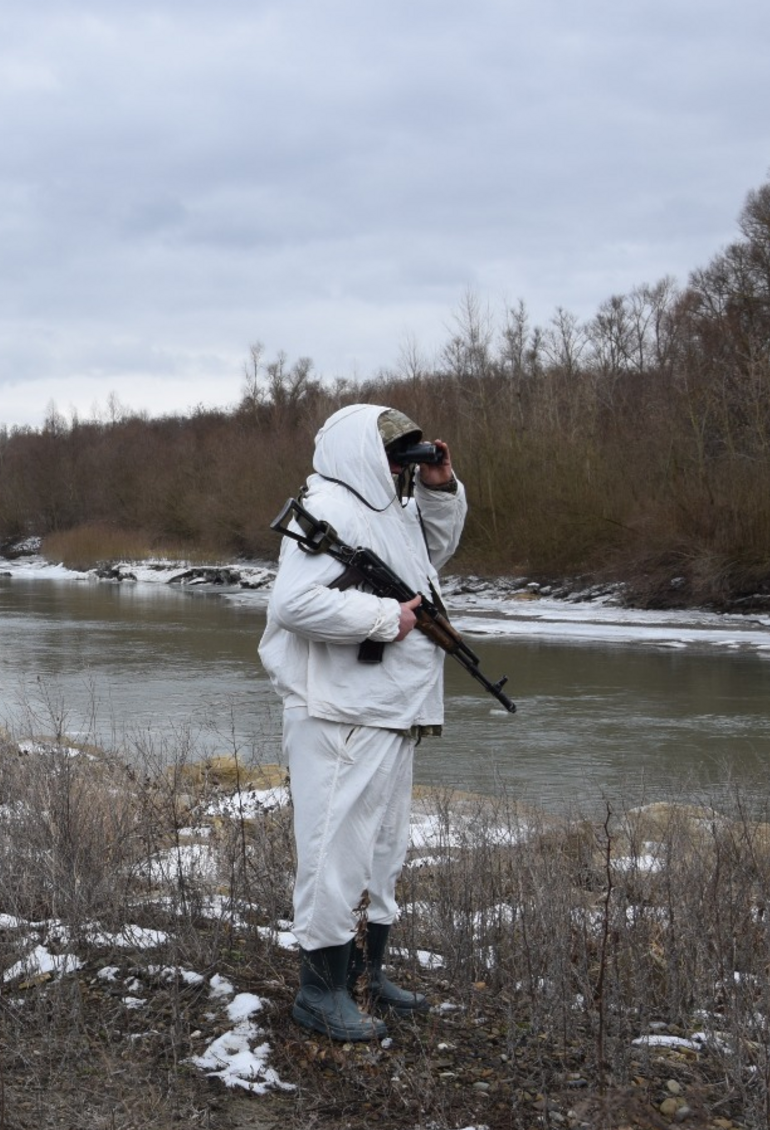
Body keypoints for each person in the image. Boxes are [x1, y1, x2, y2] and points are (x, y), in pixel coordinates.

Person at [258, 403, 465, 1041]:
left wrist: (440, 491)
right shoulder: (332, 509)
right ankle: (320, 993)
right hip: (338, 710)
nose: (401, 463)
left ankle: (367, 974)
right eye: (394, 454)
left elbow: (428, 554)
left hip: (384, 707)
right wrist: (384, 621)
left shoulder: (384, 512)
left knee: (381, 848)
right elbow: (294, 604)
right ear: (359, 452)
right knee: (333, 850)